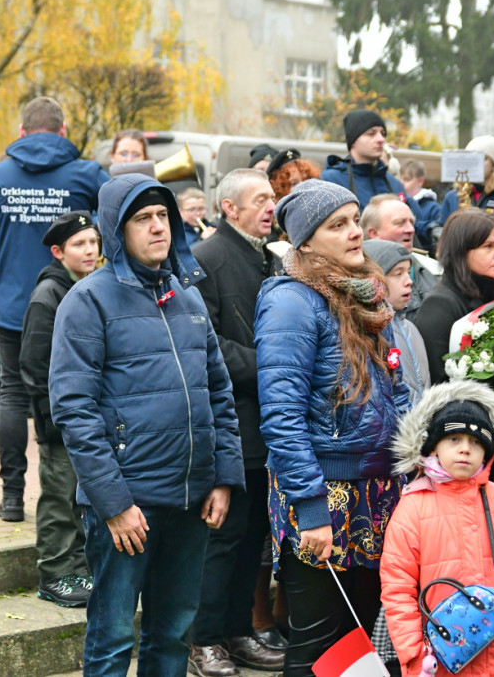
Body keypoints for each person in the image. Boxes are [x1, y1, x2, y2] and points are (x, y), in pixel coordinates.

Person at [49, 173, 244, 676]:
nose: (157, 227)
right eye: (143, 219)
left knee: (173, 635)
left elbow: (218, 393)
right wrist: (114, 505)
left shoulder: (188, 297)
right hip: (127, 508)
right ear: (117, 228)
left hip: (190, 502)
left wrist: (222, 478)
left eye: (163, 216)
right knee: (113, 637)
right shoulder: (88, 301)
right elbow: (74, 408)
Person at [254, 178, 409, 676]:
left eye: (355, 220)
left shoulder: (367, 292)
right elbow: (282, 415)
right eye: (336, 225)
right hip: (323, 493)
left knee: (359, 637)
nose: (354, 233)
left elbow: (395, 383)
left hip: (377, 490)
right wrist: (312, 507)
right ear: (305, 241)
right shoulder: (291, 301)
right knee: (316, 642)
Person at [0, 96, 109, 522]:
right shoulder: (85, 173)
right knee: (81, 392)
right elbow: (117, 219)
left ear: (21, 133)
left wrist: (6, 222)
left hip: (12, 306)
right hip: (76, 303)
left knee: (12, 393)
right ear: (63, 131)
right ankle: (75, 495)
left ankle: (11, 497)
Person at [187, 168, 285, 675]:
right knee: (223, 539)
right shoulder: (207, 259)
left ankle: (239, 631)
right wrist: (273, 371)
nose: (272, 206)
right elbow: (205, 346)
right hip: (231, 421)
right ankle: (203, 640)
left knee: (252, 539)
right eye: (261, 199)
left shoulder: (269, 259)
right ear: (229, 208)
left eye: (273, 198)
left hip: (266, 423)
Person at [380, 379, 494, 676]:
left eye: (477, 442)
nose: (466, 449)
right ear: (433, 446)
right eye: (454, 439)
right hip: (438, 660)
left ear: (488, 451)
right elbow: (397, 588)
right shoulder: (413, 507)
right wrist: (413, 652)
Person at [413, 208, 494, 530]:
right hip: (472, 451)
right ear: (461, 250)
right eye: (487, 247)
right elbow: (439, 388)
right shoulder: (442, 304)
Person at [19, 211, 99, 608]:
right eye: (79, 244)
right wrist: (59, 417)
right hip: (60, 422)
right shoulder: (48, 295)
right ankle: (55, 573)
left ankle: (80, 567)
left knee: (82, 498)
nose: (90, 251)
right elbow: (34, 366)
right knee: (59, 498)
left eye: (93, 242)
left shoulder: (88, 287)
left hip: (89, 418)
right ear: (58, 251)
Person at [320, 109, 436, 232]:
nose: (381, 139)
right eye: (371, 133)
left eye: (383, 133)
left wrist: (431, 229)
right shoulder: (331, 181)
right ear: (353, 140)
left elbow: (414, 224)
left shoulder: (393, 183)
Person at [439, 135, 494, 287]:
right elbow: (442, 235)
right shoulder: (453, 196)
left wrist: (487, 224)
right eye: (470, 159)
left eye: (481, 159)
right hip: (461, 277)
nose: (475, 164)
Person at [363, 239, 430, 406]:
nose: (409, 281)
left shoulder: (412, 329)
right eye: (398, 273)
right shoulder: (368, 333)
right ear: (373, 279)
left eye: (409, 272)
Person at [360, 194, 442, 319]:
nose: (411, 229)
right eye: (400, 223)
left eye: (411, 222)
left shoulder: (433, 269)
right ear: (374, 233)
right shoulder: (358, 278)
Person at [398, 159, 441, 250]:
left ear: (420, 181)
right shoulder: (397, 202)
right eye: (400, 179)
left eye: (407, 179)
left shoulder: (433, 208)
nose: (401, 183)